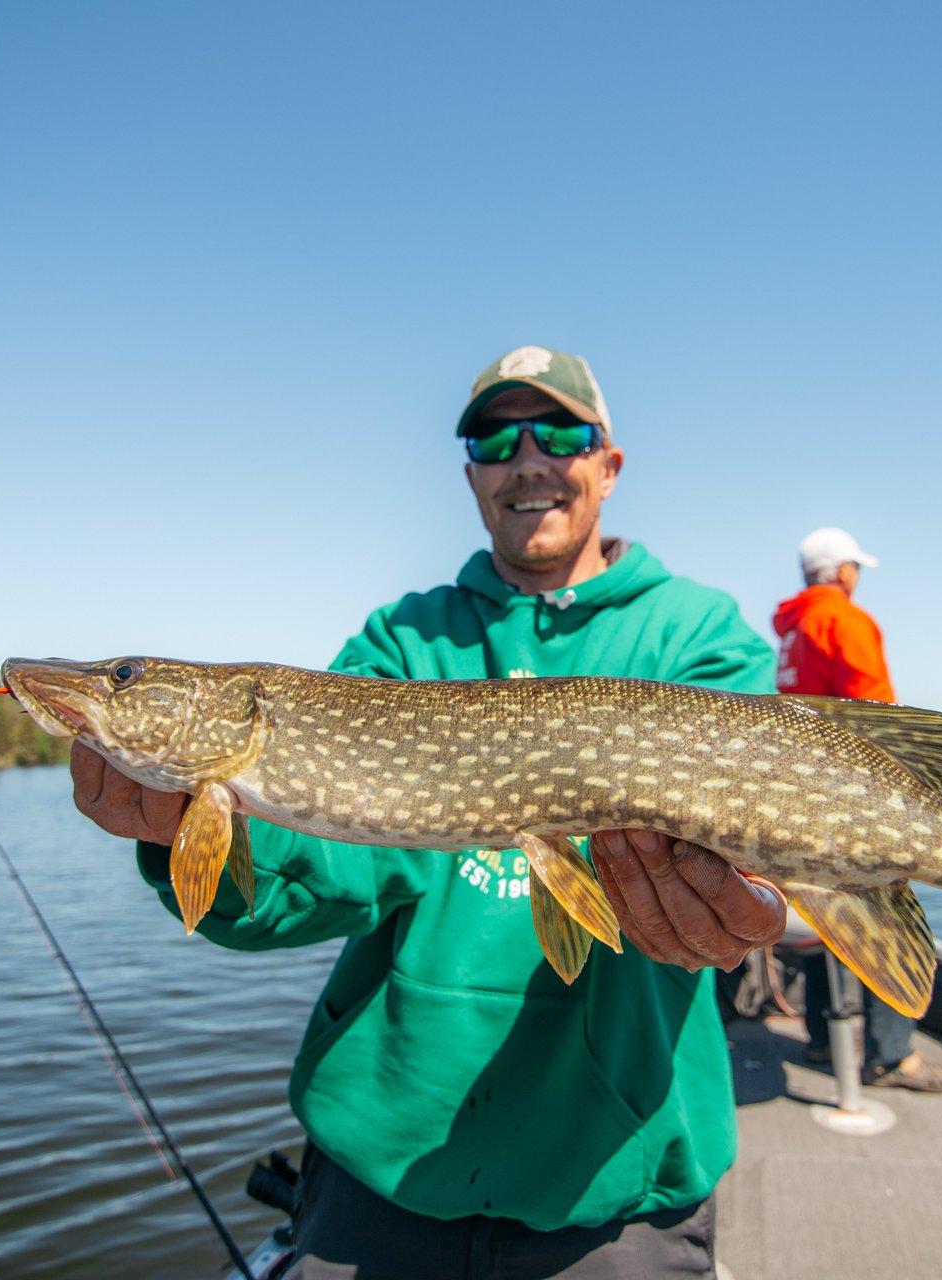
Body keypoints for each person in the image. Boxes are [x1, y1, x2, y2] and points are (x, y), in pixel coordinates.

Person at [71, 345, 787, 1278]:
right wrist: (183, 839)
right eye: (494, 437)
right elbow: (329, 876)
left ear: (609, 466)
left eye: (561, 433)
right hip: (384, 1177)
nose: (527, 458)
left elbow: (752, 881)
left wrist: (748, 907)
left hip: (618, 1193)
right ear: (471, 475)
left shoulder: (697, 635)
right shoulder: (403, 642)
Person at [772, 527, 942, 1092]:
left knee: (823, 909)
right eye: (857, 568)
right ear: (843, 572)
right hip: (850, 798)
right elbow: (877, 716)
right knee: (879, 909)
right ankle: (892, 1053)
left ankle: (822, 1043)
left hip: (795, 796)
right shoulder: (845, 620)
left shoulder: (793, 629)